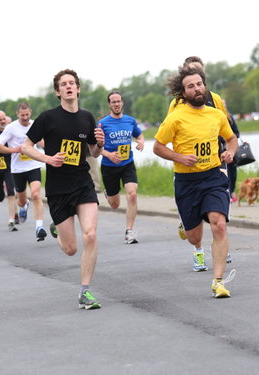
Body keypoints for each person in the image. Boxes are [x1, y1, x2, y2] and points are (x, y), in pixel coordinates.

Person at [21, 69, 105, 310]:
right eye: (63, 84)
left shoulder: (87, 117)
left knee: (90, 234)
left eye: (72, 83)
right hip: (58, 188)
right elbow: (26, 147)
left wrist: (100, 143)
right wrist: (48, 159)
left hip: (82, 183)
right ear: (58, 92)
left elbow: (93, 152)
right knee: (70, 249)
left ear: (78, 89)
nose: (68, 87)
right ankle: (57, 227)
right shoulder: (47, 118)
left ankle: (85, 291)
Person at [153, 67, 237, 298]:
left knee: (219, 224)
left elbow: (231, 139)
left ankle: (218, 281)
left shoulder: (216, 114)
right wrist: (180, 157)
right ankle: (188, 224)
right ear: (183, 92)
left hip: (213, 176)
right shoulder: (176, 118)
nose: (197, 88)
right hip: (186, 181)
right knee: (194, 237)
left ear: (204, 85)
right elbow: (157, 147)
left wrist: (230, 152)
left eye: (199, 84)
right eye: (191, 86)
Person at [168, 56, 228, 242]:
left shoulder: (215, 99)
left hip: (216, 159)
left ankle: (219, 243)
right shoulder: (177, 104)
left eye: (199, 74)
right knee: (194, 222)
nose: (196, 86)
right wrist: (179, 156)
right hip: (188, 167)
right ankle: (196, 243)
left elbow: (224, 126)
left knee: (218, 215)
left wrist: (230, 148)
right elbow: (170, 133)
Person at [0, 103, 47, 241]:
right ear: (17, 114)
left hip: (34, 165)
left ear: (30, 113)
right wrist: (14, 150)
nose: (25, 117)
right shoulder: (11, 128)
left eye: (27, 115)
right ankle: (24, 206)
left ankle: (39, 227)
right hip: (18, 169)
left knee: (36, 194)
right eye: (22, 115)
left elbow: (42, 142)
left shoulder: (35, 124)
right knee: (21, 200)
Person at [99, 91, 144, 244]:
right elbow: (95, 148)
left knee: (132, 194)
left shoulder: (130, 121)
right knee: (114, 204)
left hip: (127, 164)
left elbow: (139, 135)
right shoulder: (103, 124)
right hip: (109, 167)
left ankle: (129, 231)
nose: (116, 104)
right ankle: (109, 193)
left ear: (122, 103)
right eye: (113, 102)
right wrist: (108, 154)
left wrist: (141, 142)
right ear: (109, 104)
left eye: (118, 101)